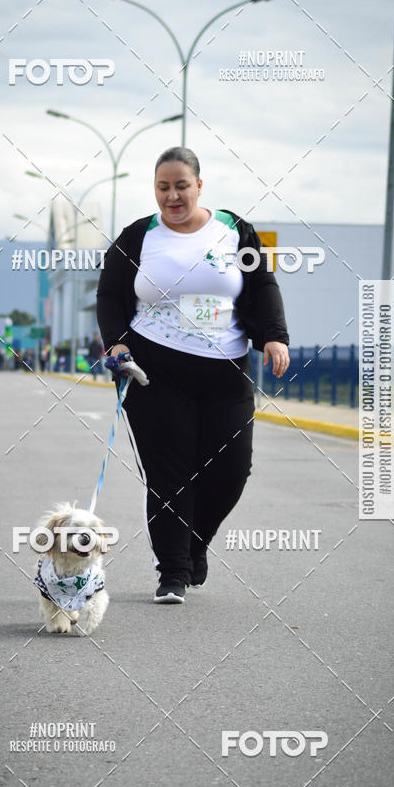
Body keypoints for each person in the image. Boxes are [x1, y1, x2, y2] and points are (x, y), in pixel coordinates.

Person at [96, 146, 290, 604]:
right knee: (170, 473)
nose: (173, 195)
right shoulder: (137, 236)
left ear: (199, 186)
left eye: (181, 185)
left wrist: (274, 336)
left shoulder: (234, 230)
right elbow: (110, 294)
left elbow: (262, 285)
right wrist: (116, 341)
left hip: (225, 370)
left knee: (231, 471)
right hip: (153, 372)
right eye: (163, 187)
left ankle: (194, 545)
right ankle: (173, 571)